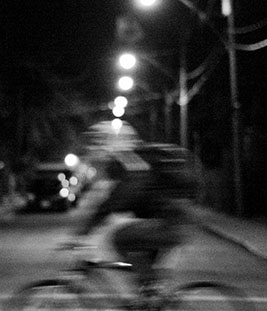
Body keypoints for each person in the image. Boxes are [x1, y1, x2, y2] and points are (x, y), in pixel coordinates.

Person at [74, 122, 198, 294]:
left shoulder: (133, 165)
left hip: (171, 224)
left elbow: (116, 200)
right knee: (138, 253)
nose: (95, 153)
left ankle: (150, 291)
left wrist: (85, 231)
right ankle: (150, 302)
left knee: (121, 237)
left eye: (97, 145)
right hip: (172, 221)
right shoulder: (138, 163)